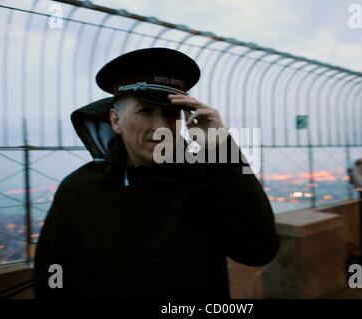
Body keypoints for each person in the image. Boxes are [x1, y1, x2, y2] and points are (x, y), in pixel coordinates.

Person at [34, 47, 280, 299]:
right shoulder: (78, 190)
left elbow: (259, 249)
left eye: (171, 113)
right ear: (116, 121)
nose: (161, 127)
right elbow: (53, 274)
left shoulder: (206, 180)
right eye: (145, 111)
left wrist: (221, 149)